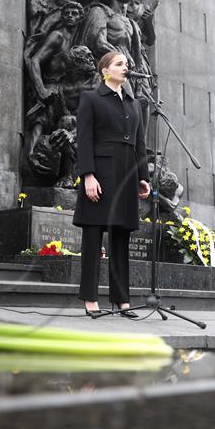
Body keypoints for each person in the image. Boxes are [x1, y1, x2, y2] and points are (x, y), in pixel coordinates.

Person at [73, 51, 151, 317]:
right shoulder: (91, 99)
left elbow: (140, 144)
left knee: (120, 239)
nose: (125, 68)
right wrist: (88, 175)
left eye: (126, 64)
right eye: (119, 64)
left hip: (127, 176)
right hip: (101, 175)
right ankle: (90, 298)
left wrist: (143, 177)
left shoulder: (134, 104)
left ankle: (122, 299)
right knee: (93, 237)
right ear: (105, 70)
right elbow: (83, 139)